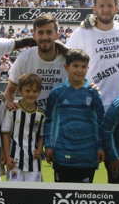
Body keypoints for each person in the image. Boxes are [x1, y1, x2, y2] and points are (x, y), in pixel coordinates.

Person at [67, 0, 119, 110]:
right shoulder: (81, 33)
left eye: (110, 6)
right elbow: (64, 57)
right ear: (94, 9)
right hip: (94, 104)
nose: (106, 9)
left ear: (116, 9)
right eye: (101, 6)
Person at [45, 49, 106, 183]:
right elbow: (50, 120)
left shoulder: (93, 93)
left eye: (83, 66)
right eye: (75, 66)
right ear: (66, 67)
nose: (79, 70)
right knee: (62, 196)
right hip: (62, 151)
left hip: (87, 154)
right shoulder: (57, 92)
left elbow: (99, 122)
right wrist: (48, 146)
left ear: (87, 68)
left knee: (83, 196)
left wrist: (101, 147)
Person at [4, 14, 67, 113]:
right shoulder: (24, 58)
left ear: (57, 35)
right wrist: (10, 107)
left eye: (49, 32)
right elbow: (10, 92)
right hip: (31, 121)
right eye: (40, 32)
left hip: (59, 121)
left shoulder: (67, 59)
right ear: (34, 35)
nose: (45, 37)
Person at [1, 73, 46, 182]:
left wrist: (39, 149)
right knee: (13, 192)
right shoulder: (12, 111)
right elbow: (6, 134)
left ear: (39, 92)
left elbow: (41, 135)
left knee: (34, 194)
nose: (31, 94)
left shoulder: (41, 114)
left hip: (33, 161)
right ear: (20, 91)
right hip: (14, 159)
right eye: (28, 91)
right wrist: (7, 156)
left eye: (35, 91)